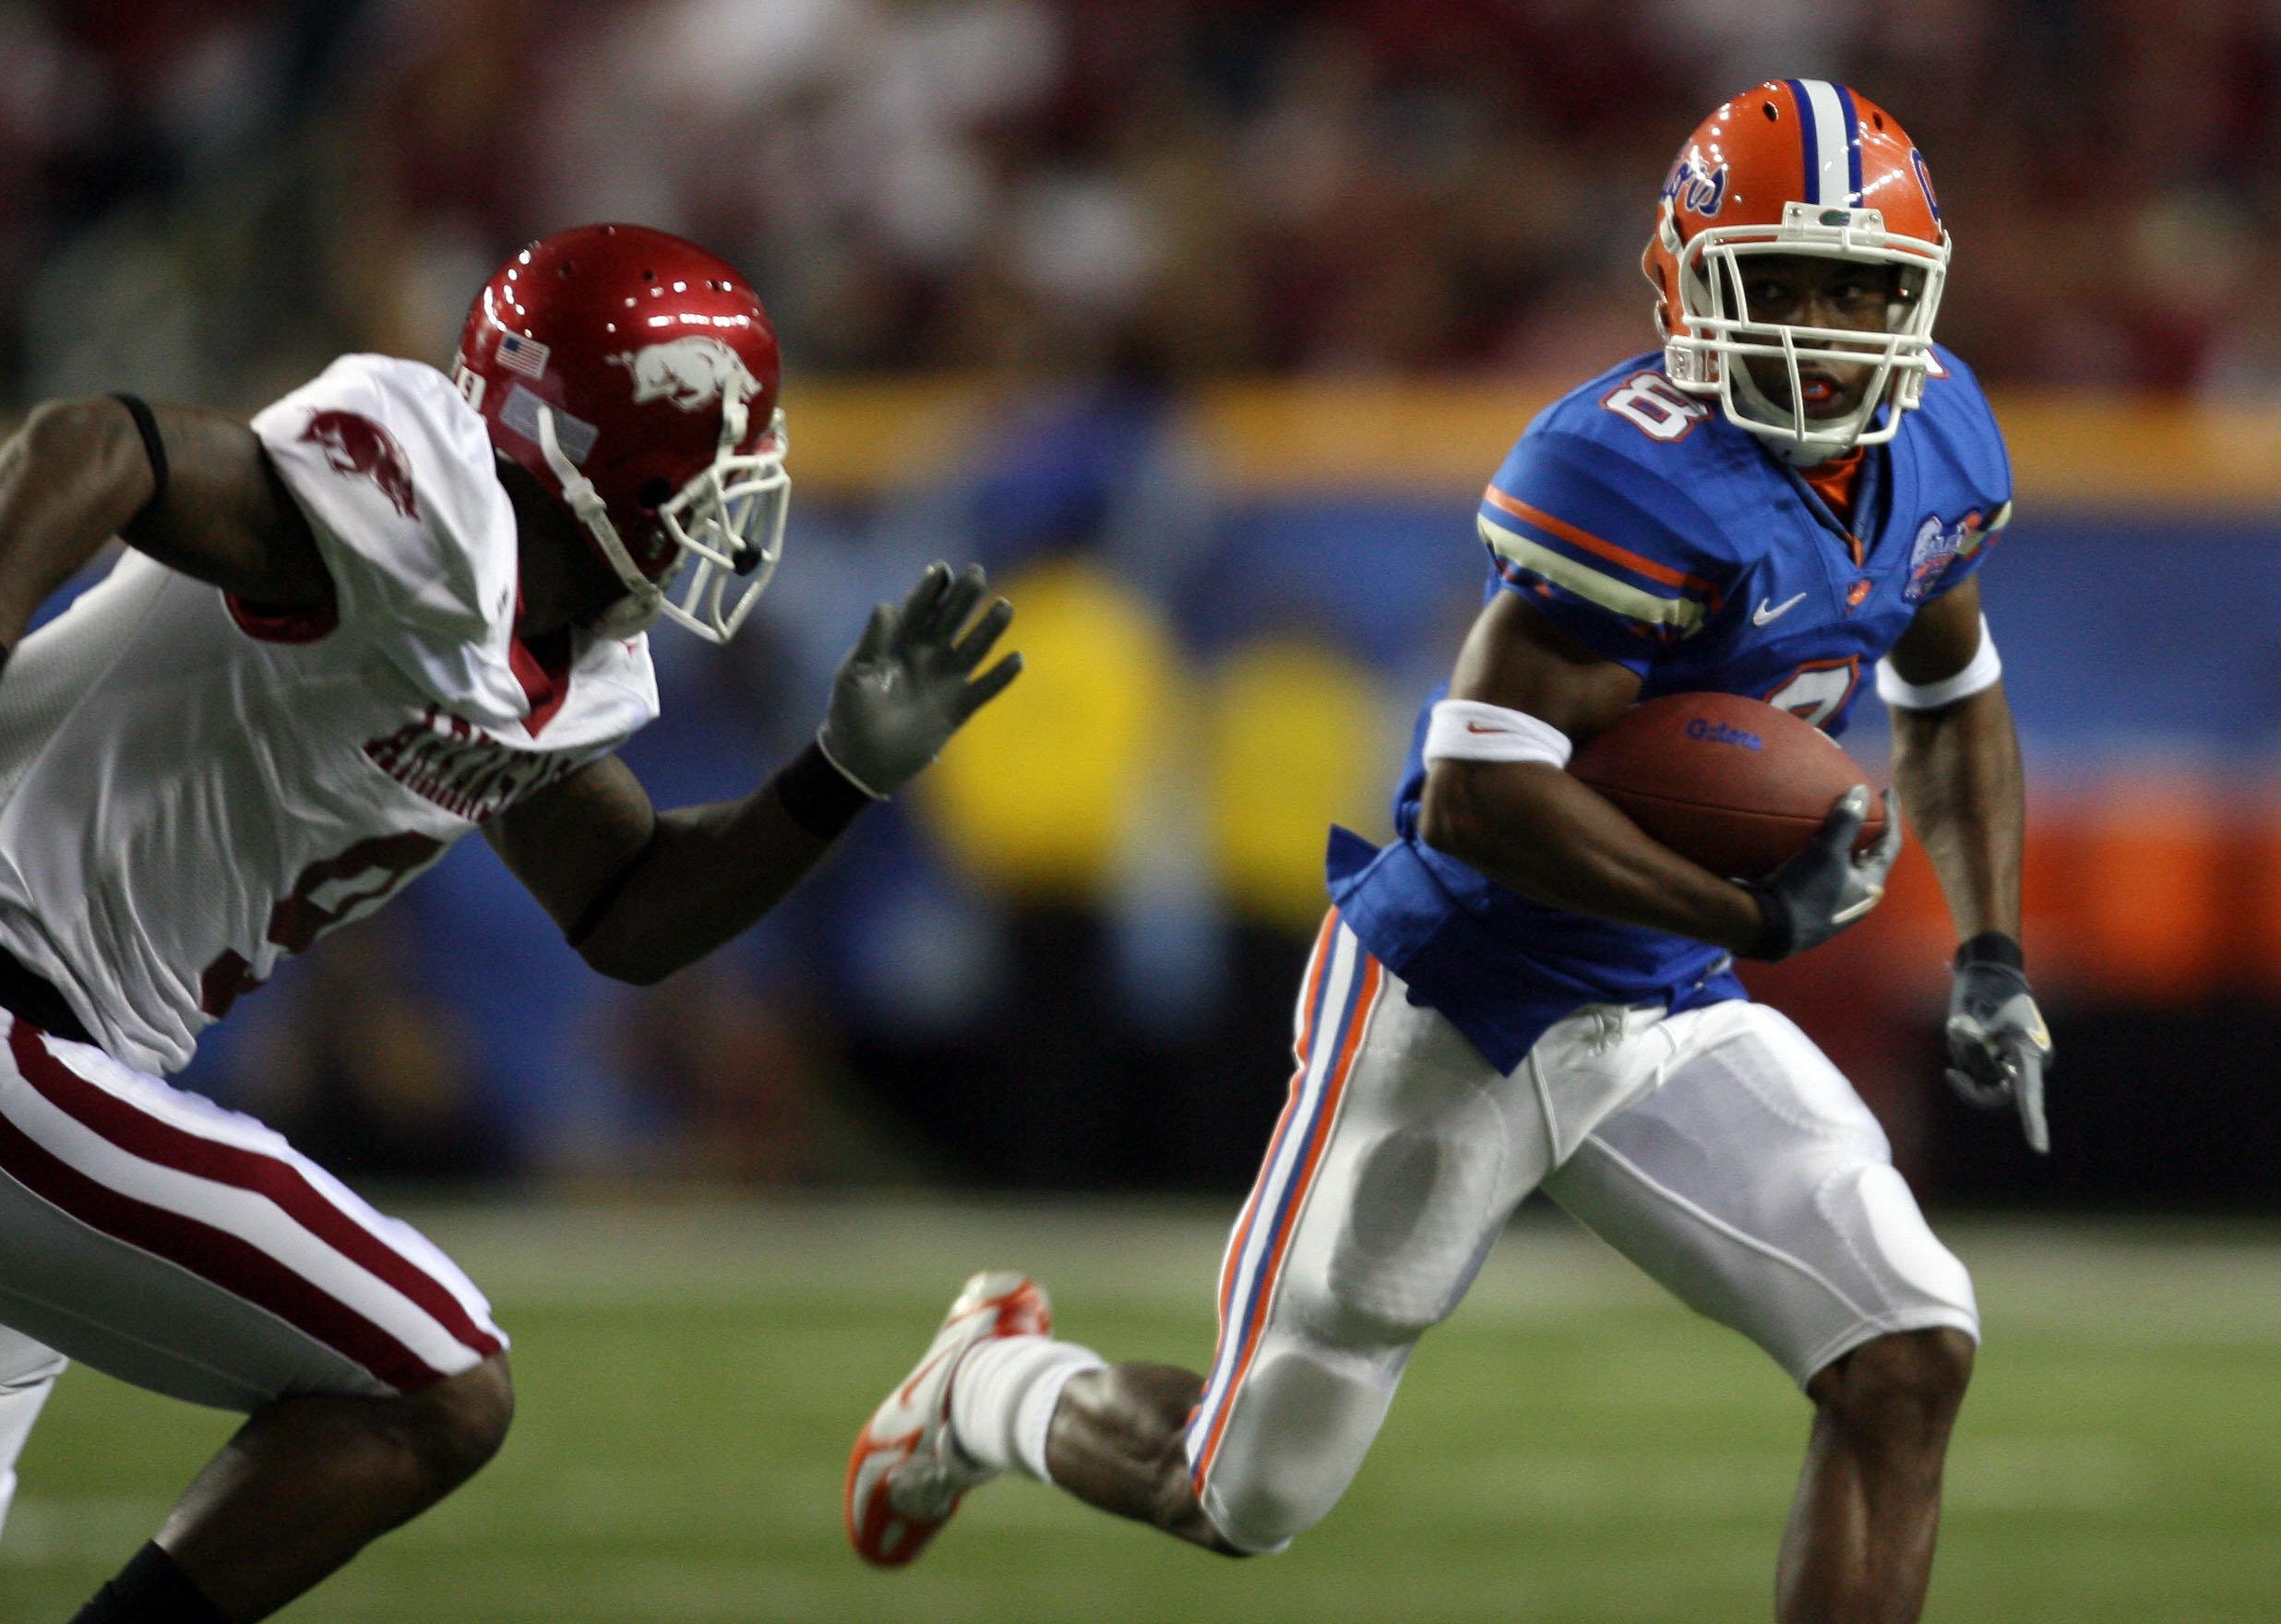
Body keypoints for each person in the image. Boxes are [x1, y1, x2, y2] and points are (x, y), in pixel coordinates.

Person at [846, 80, 2050, 1623]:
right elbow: (1479, 796)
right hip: (1457, 999)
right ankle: (990, 1388)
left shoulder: (1938, 434)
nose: (1826, 331)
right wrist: (1747, 902)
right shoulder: (1624, 473)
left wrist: (1994, 954)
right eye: (1787, 284)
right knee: (1243, 1489)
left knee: (1908, 1348)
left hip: (1665, 1006)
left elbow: (1952, 692)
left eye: (1862, 289)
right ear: (1688, 281)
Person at [0, 221, 1020, 1624]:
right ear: (622, 460)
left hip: (77, 1066)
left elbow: (628, 907)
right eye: (723, 466)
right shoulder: (420, 512)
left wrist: (833, 780)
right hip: (21, 1023)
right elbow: (89, 445)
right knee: (437, 1380)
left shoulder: (552, 652)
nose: (735, 510)